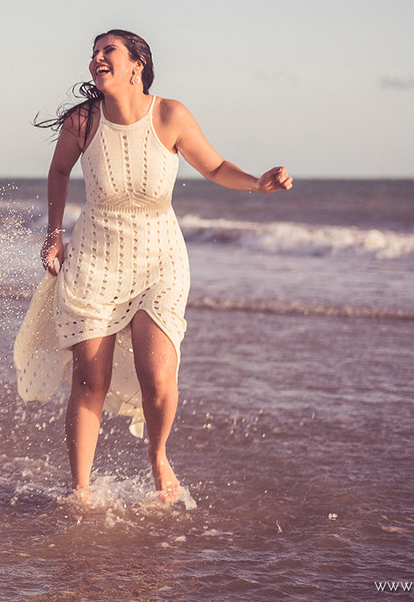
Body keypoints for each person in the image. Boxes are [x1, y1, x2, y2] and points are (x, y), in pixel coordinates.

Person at [18, 29, 292, 505]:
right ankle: (80, 491)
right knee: (90, 380)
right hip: (95, 261)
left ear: (136, 64)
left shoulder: (170, 115)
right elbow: (59, 171)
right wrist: (53, 233)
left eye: (108, 51)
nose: (97, 59)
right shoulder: (84, 121)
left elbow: (214, 167)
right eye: (94, 53)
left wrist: (258, 184)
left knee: (159, 377)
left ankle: (158, 456)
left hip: (159, 259)